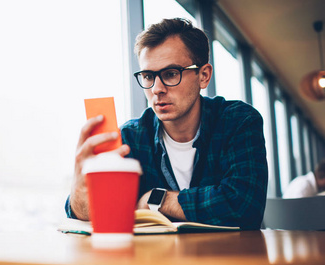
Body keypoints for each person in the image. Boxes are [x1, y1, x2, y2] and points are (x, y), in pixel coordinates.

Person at [65, 18, 268, 229]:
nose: (157, 89)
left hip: (228, 259)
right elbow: (93, 216)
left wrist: (157, 200)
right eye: (147, 76)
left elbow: (245, 207)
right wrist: (81, 189)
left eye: (171, 74)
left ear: (204, 76)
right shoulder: (130, 138)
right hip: (157, 260)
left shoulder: (238, 121)